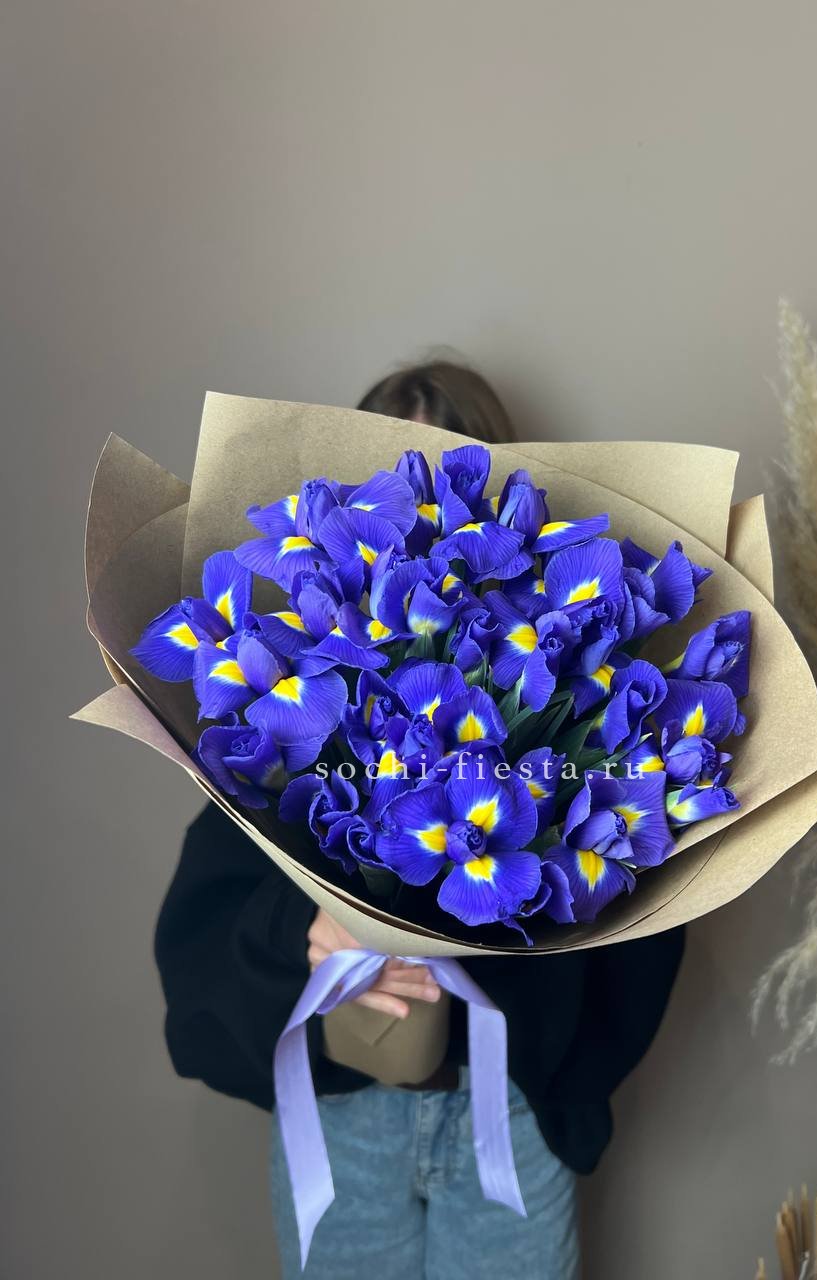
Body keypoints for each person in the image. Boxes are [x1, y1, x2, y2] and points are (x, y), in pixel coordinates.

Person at [154, 357, 685, 1280]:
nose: (423, 524)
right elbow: (210, 924)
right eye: (396, 493)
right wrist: (309, 929)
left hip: (505, 1113)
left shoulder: (557, 673)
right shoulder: (299, 692)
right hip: (344, 1119)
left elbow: (640, 914)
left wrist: (528, 997)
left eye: (450, 484)